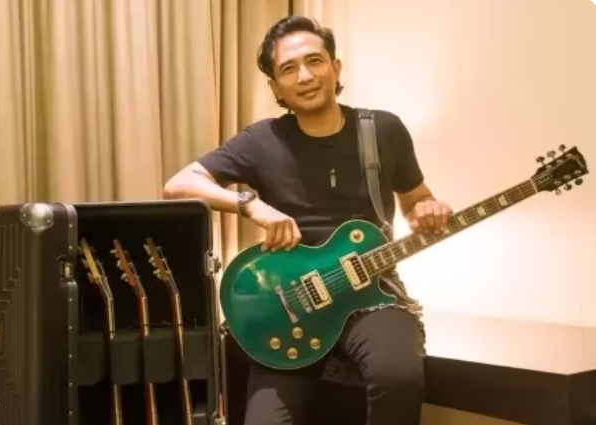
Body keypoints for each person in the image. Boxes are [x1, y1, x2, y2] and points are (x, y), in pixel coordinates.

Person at [163, 15, 452, 425]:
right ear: (275, 87)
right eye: (288, 68)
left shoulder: (383, 130)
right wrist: (250, 204)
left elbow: (416, 199)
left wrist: (426, 208)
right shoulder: (262, 140)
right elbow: (178, 184)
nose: (305, 76)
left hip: (371, 294)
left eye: (315, 61)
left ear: (335, 68)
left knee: (398, 376)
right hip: (289, 305)